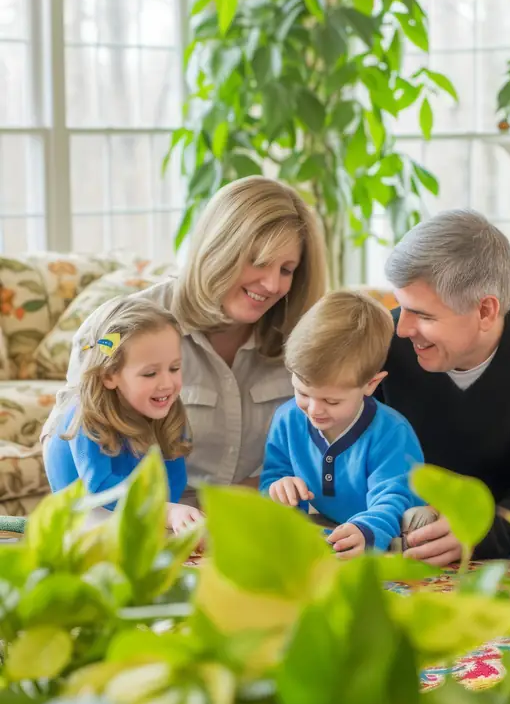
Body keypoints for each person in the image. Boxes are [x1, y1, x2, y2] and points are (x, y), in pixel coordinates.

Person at [43, 177, 328, 496]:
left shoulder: (301, 340)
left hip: (250, 522)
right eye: (258, 263)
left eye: (286, 270)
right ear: (220, 250)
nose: (273, 285)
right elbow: (66, 445)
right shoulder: (120, 329)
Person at [378, 209, 510, 566]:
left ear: (485, 311)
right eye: (400, 307)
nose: (403, 329)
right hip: (394, 527)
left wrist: (480, 530)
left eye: (424, 315)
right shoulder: (384, 342)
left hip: (505, 553)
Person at [260, 290, 426, 558]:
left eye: (332, 401)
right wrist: (279, 490)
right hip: (336, 527)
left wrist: (365, 530)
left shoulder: (391, 432)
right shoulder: (288, 419)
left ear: (371, 384)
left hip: (398, 531)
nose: (314, 410)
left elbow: (393, 499)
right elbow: (273, 476)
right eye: (302, 393)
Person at [44, 299, 201, 531]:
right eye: (150, 373)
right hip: (83, 522)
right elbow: (101, 487)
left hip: (136, 518)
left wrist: (177, 518)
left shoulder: (168, 412)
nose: (167, 383)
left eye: (175, 368)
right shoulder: (85, 416)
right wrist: (167, 512)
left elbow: (173, 480)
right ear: (109, 376)